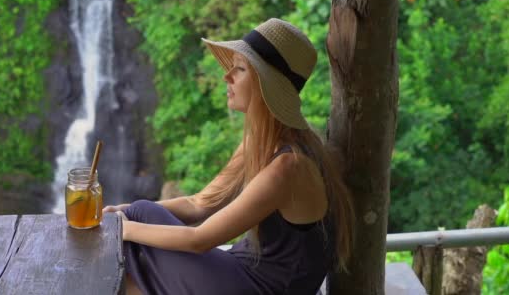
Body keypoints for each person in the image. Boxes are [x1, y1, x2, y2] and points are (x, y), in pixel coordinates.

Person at [103, 18, 354, 295]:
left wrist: (123, 229)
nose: (227, 76)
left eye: (240, 68)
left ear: (265, 85)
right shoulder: (261, 142)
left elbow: (200, 239)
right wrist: (123, 213)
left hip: (260, 289)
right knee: (138, 215)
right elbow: (199, 203)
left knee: (139, 224)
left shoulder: (289, 167)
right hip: (244, 272)